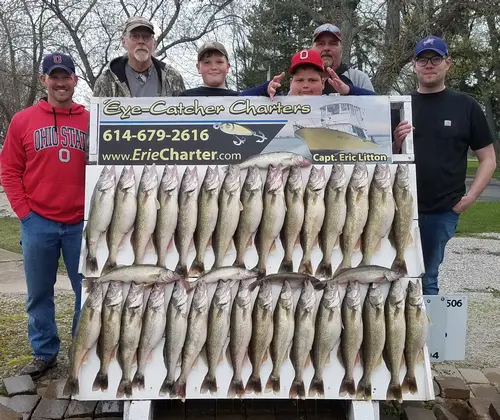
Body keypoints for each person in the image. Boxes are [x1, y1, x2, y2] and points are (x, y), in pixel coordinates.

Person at [0, 53, 90, 378]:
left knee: (87, 292)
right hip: (38, 222)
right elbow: (9, 170)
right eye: (54, 76)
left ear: (75, 80)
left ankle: (82, 351)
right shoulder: (22, 120)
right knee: (39, 292)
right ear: (44, 80)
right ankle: (44, 352)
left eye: (66, 76)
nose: (61, 82)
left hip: (81, 223)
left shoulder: (91, 120)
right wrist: (25, 213)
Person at [393, 36, 496, 295]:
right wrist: (395, 142)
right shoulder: (399, 107)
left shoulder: (466, 106)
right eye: (422, 59)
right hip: (398, 207)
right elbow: (382, 160)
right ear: (414, 65)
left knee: (427, 277)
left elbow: (488, 159)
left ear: (447, 63)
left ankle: (425, 335)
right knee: (393, 275)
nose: (429, 65)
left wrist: (470, 197)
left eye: (435, 59)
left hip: (441, 211)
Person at [93, 16, 185, 97]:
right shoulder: (106, 81)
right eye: (135, 36)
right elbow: (97, 114)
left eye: (146, 36)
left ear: (154, 43)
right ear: (124, 42)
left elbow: (184, 115)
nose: (141, 41)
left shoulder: (172, 77)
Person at [179, 40, 284, 98]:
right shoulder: (185, 98)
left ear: (227, 67)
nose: (214, 67)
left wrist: (268, 87)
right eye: (207, 62)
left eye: (219, 62)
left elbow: (254, 93)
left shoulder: (238, 99)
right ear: (198, 68)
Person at [311, 23, 375, 95]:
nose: (326, 48)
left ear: (341, 51)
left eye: (332, 44)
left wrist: (349, 90)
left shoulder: (358, 79)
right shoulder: (300, 80)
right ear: (311, 50)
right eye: (321, 44)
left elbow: (374, 104)